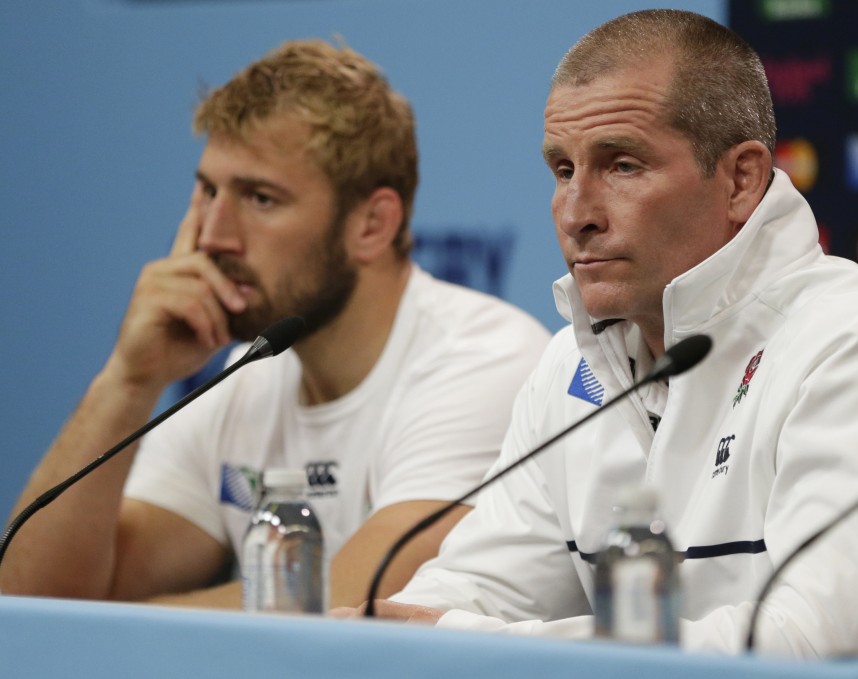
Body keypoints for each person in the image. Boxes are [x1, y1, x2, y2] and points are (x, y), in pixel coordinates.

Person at [339, 10, 858, 656]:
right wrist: (385, 638)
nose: (577, 213)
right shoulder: (570, 369)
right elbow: (477, 591)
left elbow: (816, 649)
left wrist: (470, 641)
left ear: (741, 181)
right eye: (563, 169)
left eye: (622, 165)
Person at [0, 40, 550, 609]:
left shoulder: (484, 360)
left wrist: (111, 626)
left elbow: (349, 608)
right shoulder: (242, 378)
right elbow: (34, 599)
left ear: (372, 224)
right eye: (209, 192)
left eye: (260, 198)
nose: (213, 236)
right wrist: (129, 379)